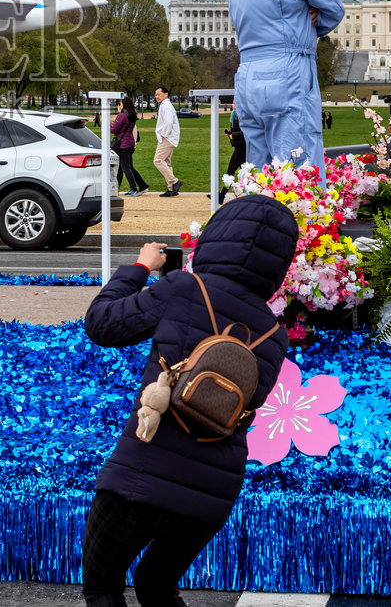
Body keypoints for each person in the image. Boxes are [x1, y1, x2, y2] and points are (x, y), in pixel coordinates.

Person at [80, 194, 296, 607]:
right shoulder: (275, 336)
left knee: (103, 586)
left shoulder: (183, 288)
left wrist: (141, 268)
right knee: (157, 587)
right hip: (211, 493)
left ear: (217, 236)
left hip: (140, 473)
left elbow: (102, 324)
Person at [228, 0, 345, 170]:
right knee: (299, 170)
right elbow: (334, 8)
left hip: (247, 77)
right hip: (288, 70)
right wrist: (312, 21)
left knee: (258, 170)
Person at [111, 98, 150, 196]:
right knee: (128, 166)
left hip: (122, 144)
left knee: (125, 167)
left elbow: (114, 130)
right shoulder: (131, 115)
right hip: (130, 143)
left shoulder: (122, 116)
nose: (118, 106)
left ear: (123, 105)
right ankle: (142, 185)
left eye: (119, 104)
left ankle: (133, 188)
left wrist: (109, 124)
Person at [152, 86, 181, 196]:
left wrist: (163, 135)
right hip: (169, 137)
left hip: (167, 138)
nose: (156, 97)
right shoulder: (165, 105)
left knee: (158, 161)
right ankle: (171, 189)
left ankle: (175, 182)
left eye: (158, 94)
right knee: (167, 163)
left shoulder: (166, 106)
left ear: (166, 94)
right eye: (156, 95)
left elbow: (168, 123)